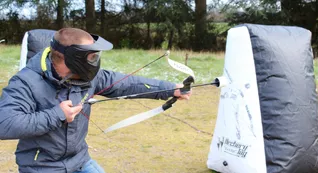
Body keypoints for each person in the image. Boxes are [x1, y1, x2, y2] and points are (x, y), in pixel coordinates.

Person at [0, 28, 191, 173]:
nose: (95, 61)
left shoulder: (88, 77)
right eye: (91, 56)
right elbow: (5, 124)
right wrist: (57, 114)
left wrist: (169, 89)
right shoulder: (25, 82)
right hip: (41, 167)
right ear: (74, 58)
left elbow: (126, 84)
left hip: (80, 161)